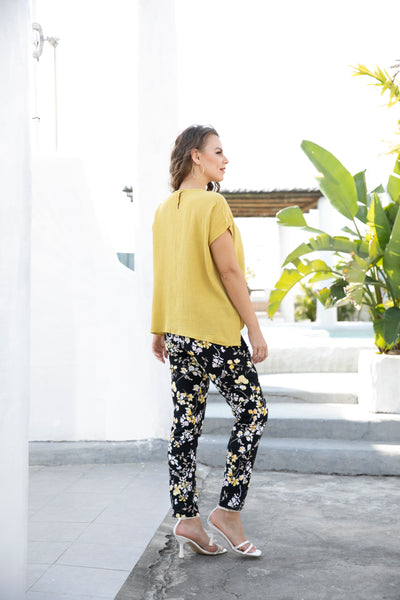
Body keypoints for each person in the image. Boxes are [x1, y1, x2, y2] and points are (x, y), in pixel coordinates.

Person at [151, 125, 268, 559]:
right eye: (218, 152)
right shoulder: (213, 203)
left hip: (179, 333)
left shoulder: (164, 210)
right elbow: (230, 271)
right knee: (253, 412)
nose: (225, 159)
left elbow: (164, 274)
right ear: (196, 157)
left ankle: (187, 517)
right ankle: (228, 512)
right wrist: (254, 328)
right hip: (215, 333)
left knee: (185, 424)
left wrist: (159, 328)